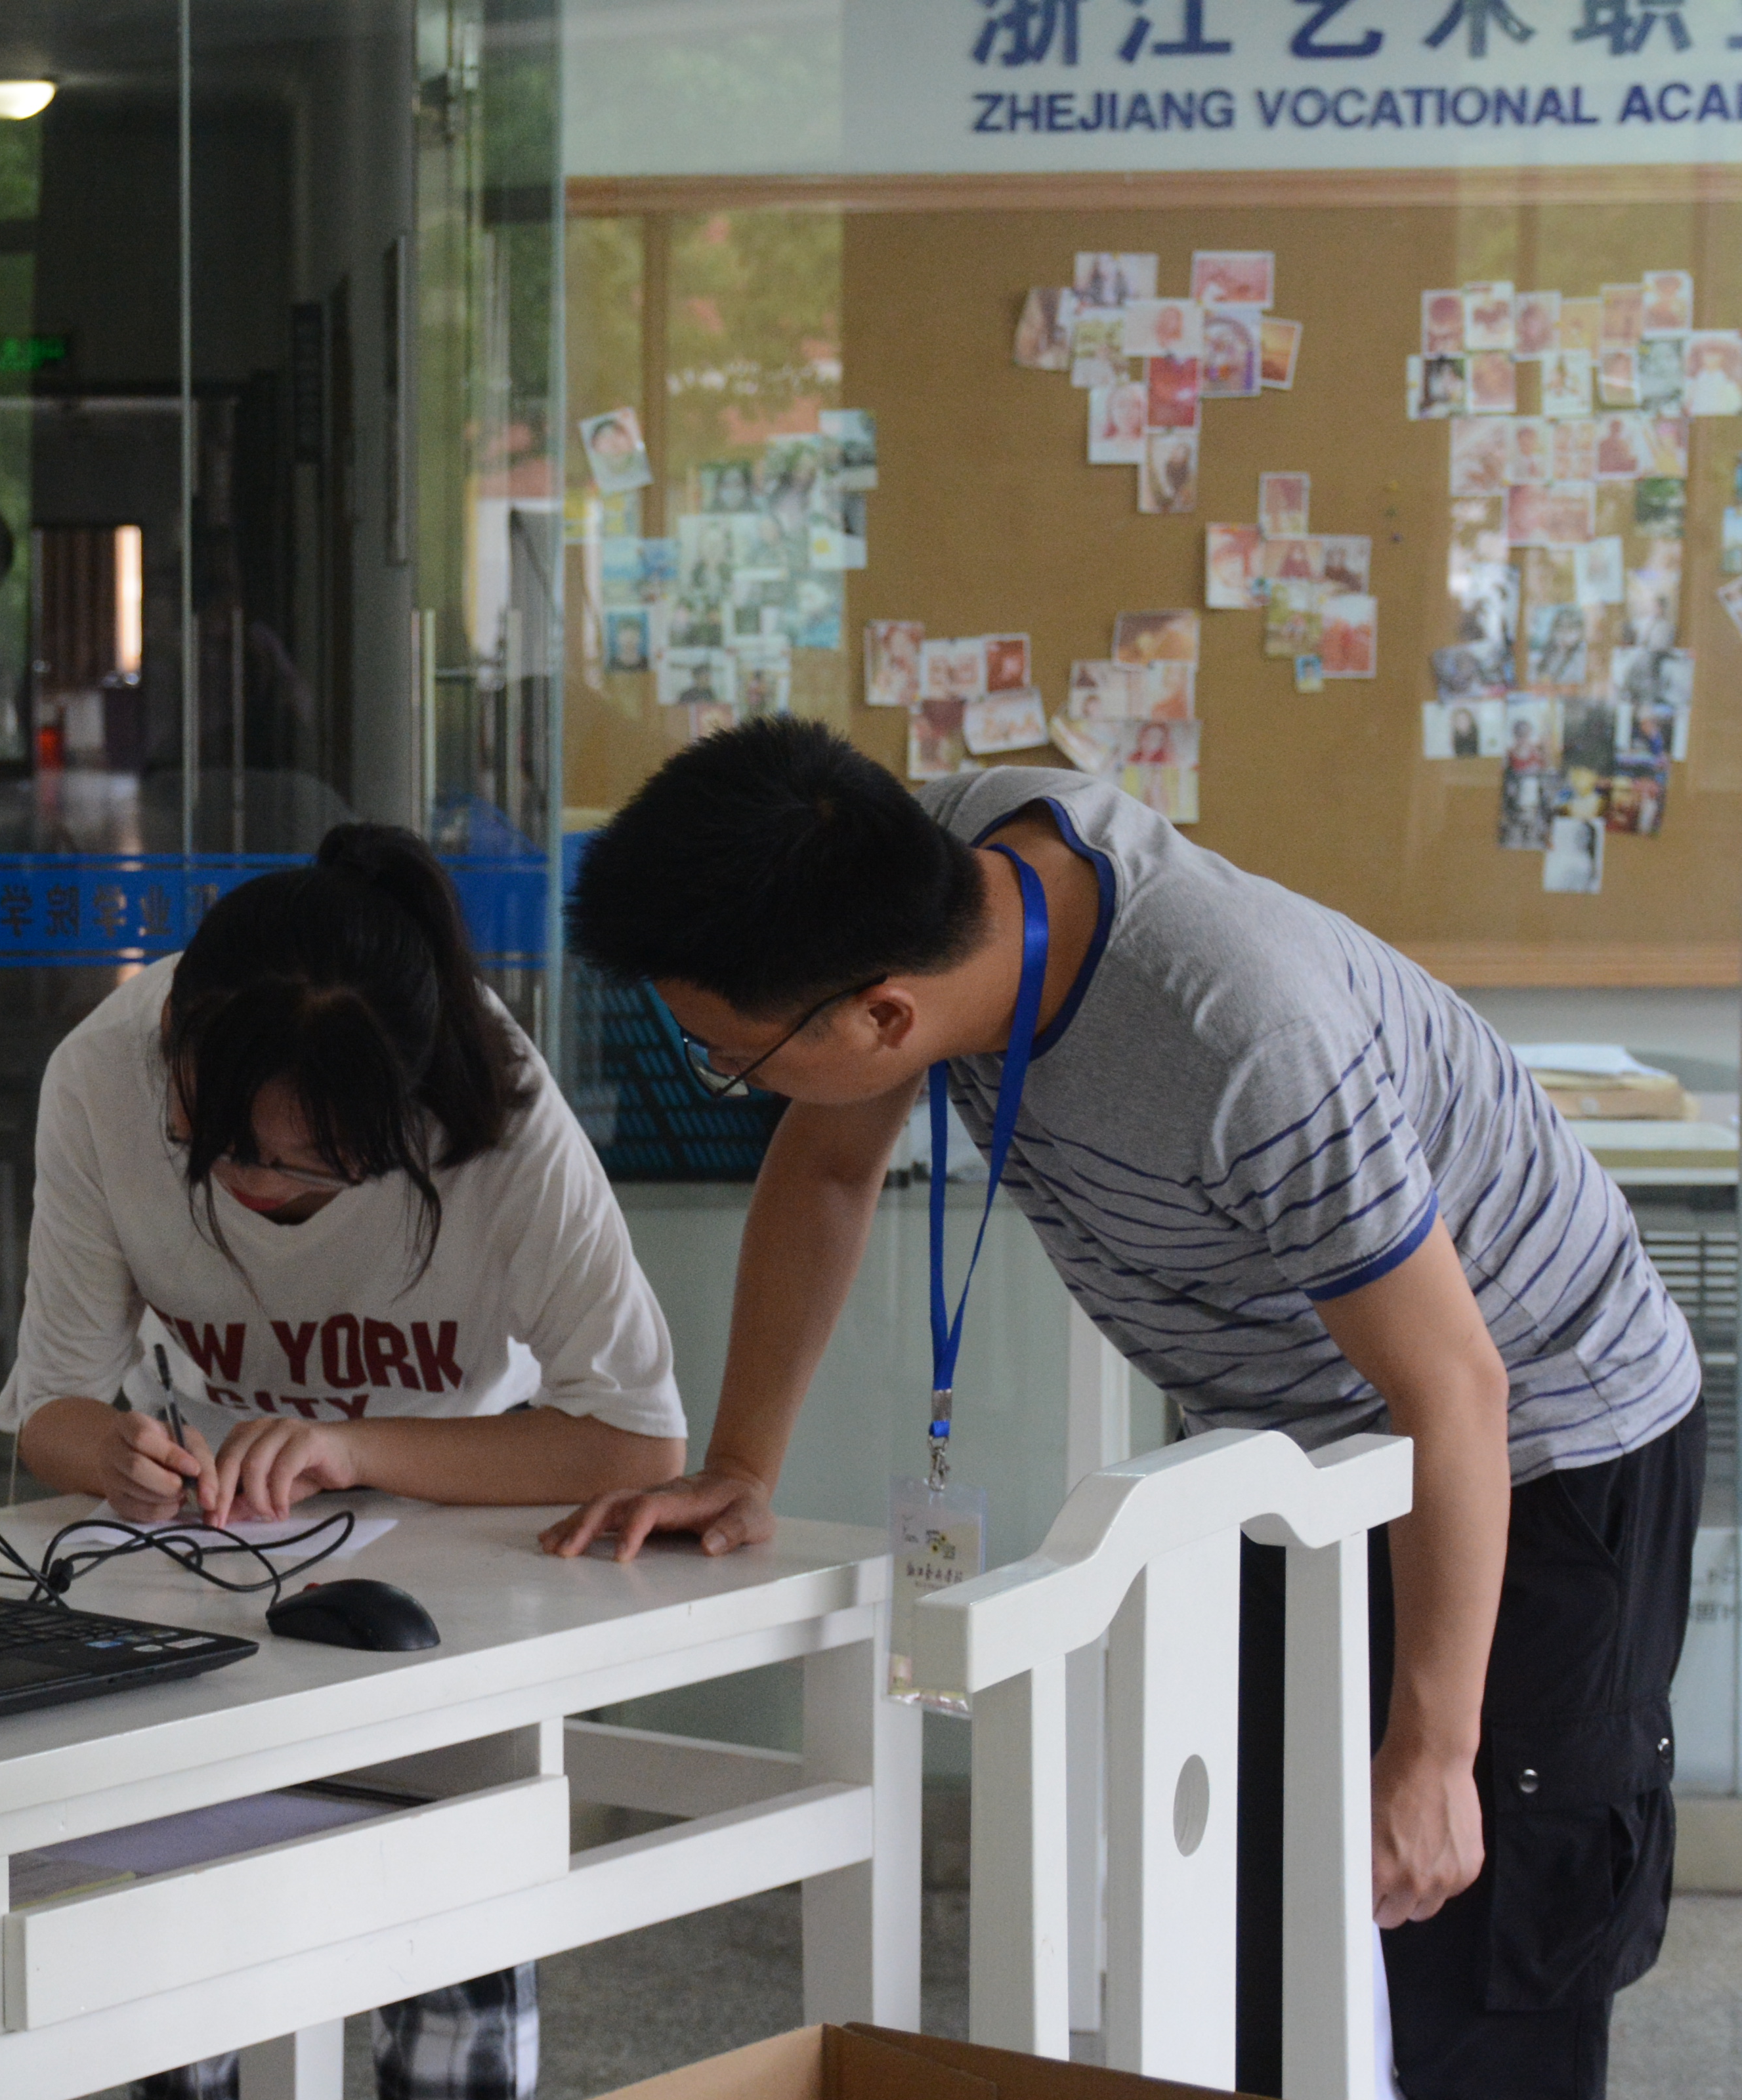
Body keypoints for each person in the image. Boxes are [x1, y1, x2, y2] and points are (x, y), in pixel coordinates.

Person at [543, 721, 1699, 2100]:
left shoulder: (1240, 1040)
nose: (736, 1083)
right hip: (1297, 1450)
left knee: (1462, 1934)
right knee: (1277, 1934)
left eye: (733, 1058)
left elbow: (1454, 1387)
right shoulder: (931, 866)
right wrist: (741, 1460)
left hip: (1532, 1443)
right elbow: (829, 1170)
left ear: (884, 1020)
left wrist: (1438, 1750)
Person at [0, 823, 687, 2100]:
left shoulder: (498, 1106)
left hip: (456, 1553)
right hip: (208, 1550)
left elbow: (634, 1435)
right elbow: (50, 1411)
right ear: (174, 1045)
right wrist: (115, 1452)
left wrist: (353, 1445)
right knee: (175, 1904)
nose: (257, 1187)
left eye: (311, 1164)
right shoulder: (101, 1072)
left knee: (448, 1886)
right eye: (219, 1143)